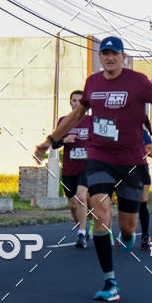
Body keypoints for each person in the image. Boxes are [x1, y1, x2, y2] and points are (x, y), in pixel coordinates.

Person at [34, 36, 152, 302]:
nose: (110, 57)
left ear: (123, 57)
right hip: (100, 156)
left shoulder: (138, 82)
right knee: (99, 207)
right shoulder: (93, 83)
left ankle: (128, 236)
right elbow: (77, 116)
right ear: (100, 57)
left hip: (131, 162)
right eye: (105, 53)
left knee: (128, 226)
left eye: (115, 53)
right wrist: (50, 140)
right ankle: (110, 281)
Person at [54, 90, 92, 249]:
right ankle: (83, 227)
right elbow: (54, 143)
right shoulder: (64, 121)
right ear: (70, 103)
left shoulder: (92, 121)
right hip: (69, 168)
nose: (76, 103)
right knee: (73, 205)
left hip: (87, 167)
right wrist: (64, 140)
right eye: (73, 100)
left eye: (79, 101)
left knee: (81, 197)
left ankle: (81, 234)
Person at [139, 115, 152, 251]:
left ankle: (145, 235)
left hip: (141, 171)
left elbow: (151, 153)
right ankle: (125, 233)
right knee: (127, 204)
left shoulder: (143, 133)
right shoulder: (120, 131)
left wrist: (137, 148)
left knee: (142, 204)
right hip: (125, 172)